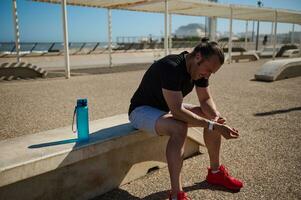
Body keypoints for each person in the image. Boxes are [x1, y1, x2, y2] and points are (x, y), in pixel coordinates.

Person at [128, 39, 243, 200]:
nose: (208, 75)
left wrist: (215, 118)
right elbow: (177, 111)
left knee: (213, 118)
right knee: (179, 127)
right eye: (208, 70)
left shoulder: (200, 69)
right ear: (198, 57)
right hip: (140, 111)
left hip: (165, 108)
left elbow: (205, 99)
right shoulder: (171, 67)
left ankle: (215, 173)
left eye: (211, 73)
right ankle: (176, 194)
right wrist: (212, 125)